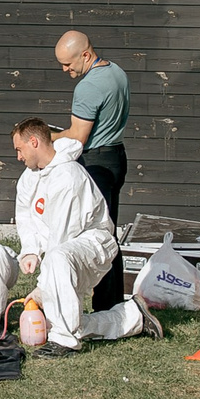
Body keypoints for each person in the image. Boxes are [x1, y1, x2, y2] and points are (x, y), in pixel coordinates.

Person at [11, 118, 157, 353]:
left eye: (19, 149)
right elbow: (26, 214)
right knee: (54, 320)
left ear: (34, 142)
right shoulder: (30, 177)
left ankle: (65, 341)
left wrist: (41, 290)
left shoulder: (68, 177)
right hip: (65, 249)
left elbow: (63, 236)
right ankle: (132, 316)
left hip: (92, 244)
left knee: (57, 263)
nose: (18, 156)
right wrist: (30, 249)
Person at [53, 31, 132, 308]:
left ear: (85, 55)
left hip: (97, 163)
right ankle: (111, 301)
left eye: (68, 64)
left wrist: (48, 137)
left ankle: (106, 305)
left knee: (98, 236)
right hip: (116, 155)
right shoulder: (117, 73)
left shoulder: (88, 87)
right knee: (109, 231)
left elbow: (77, 137)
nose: (65, 70)